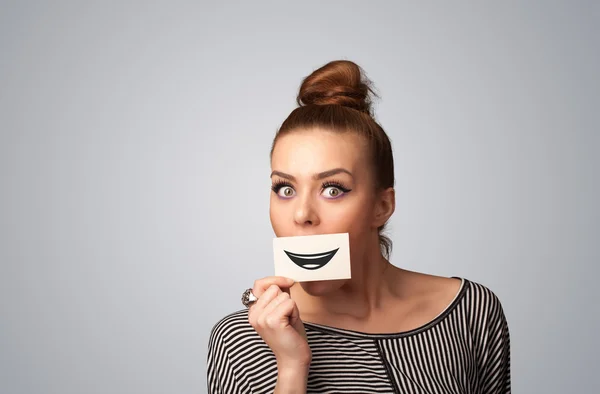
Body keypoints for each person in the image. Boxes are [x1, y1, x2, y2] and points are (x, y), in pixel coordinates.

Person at [207, 60, 511, 393]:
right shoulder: (240, 341)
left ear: (382, 207)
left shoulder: (471, 311)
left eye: (332, 189)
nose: (302, 214)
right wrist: (292, 367)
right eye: (286, 189)